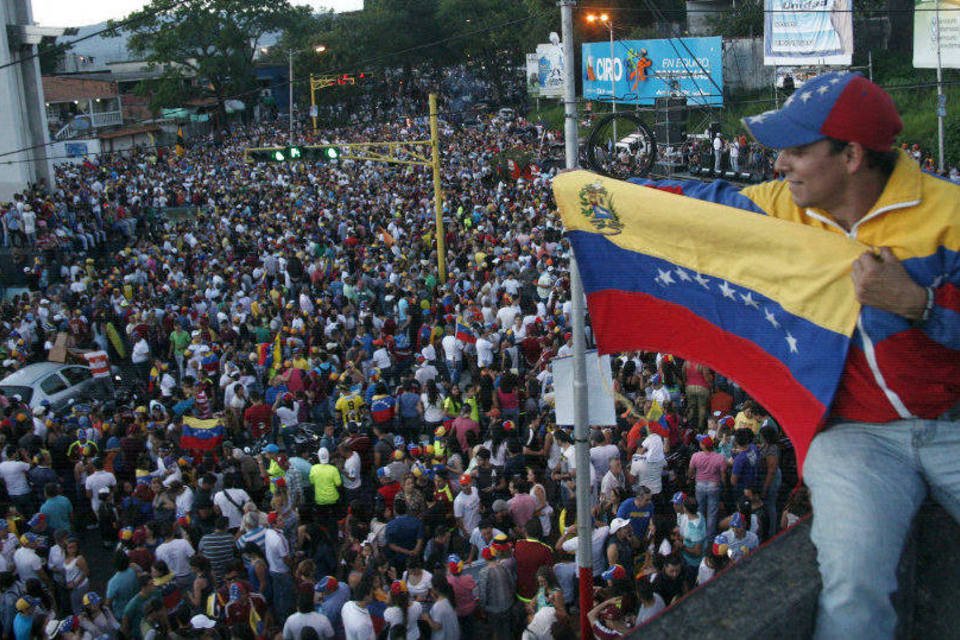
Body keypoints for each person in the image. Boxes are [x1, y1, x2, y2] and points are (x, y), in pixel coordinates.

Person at [734, 71, 960, 636]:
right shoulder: (780, 208)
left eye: (797, 150)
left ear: (852, 155)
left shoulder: (951, 214)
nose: (778, 165)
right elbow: (692, 212)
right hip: (856, 439)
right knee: (854, 588)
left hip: (955, 424)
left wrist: (919, 303)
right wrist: (588, 192)